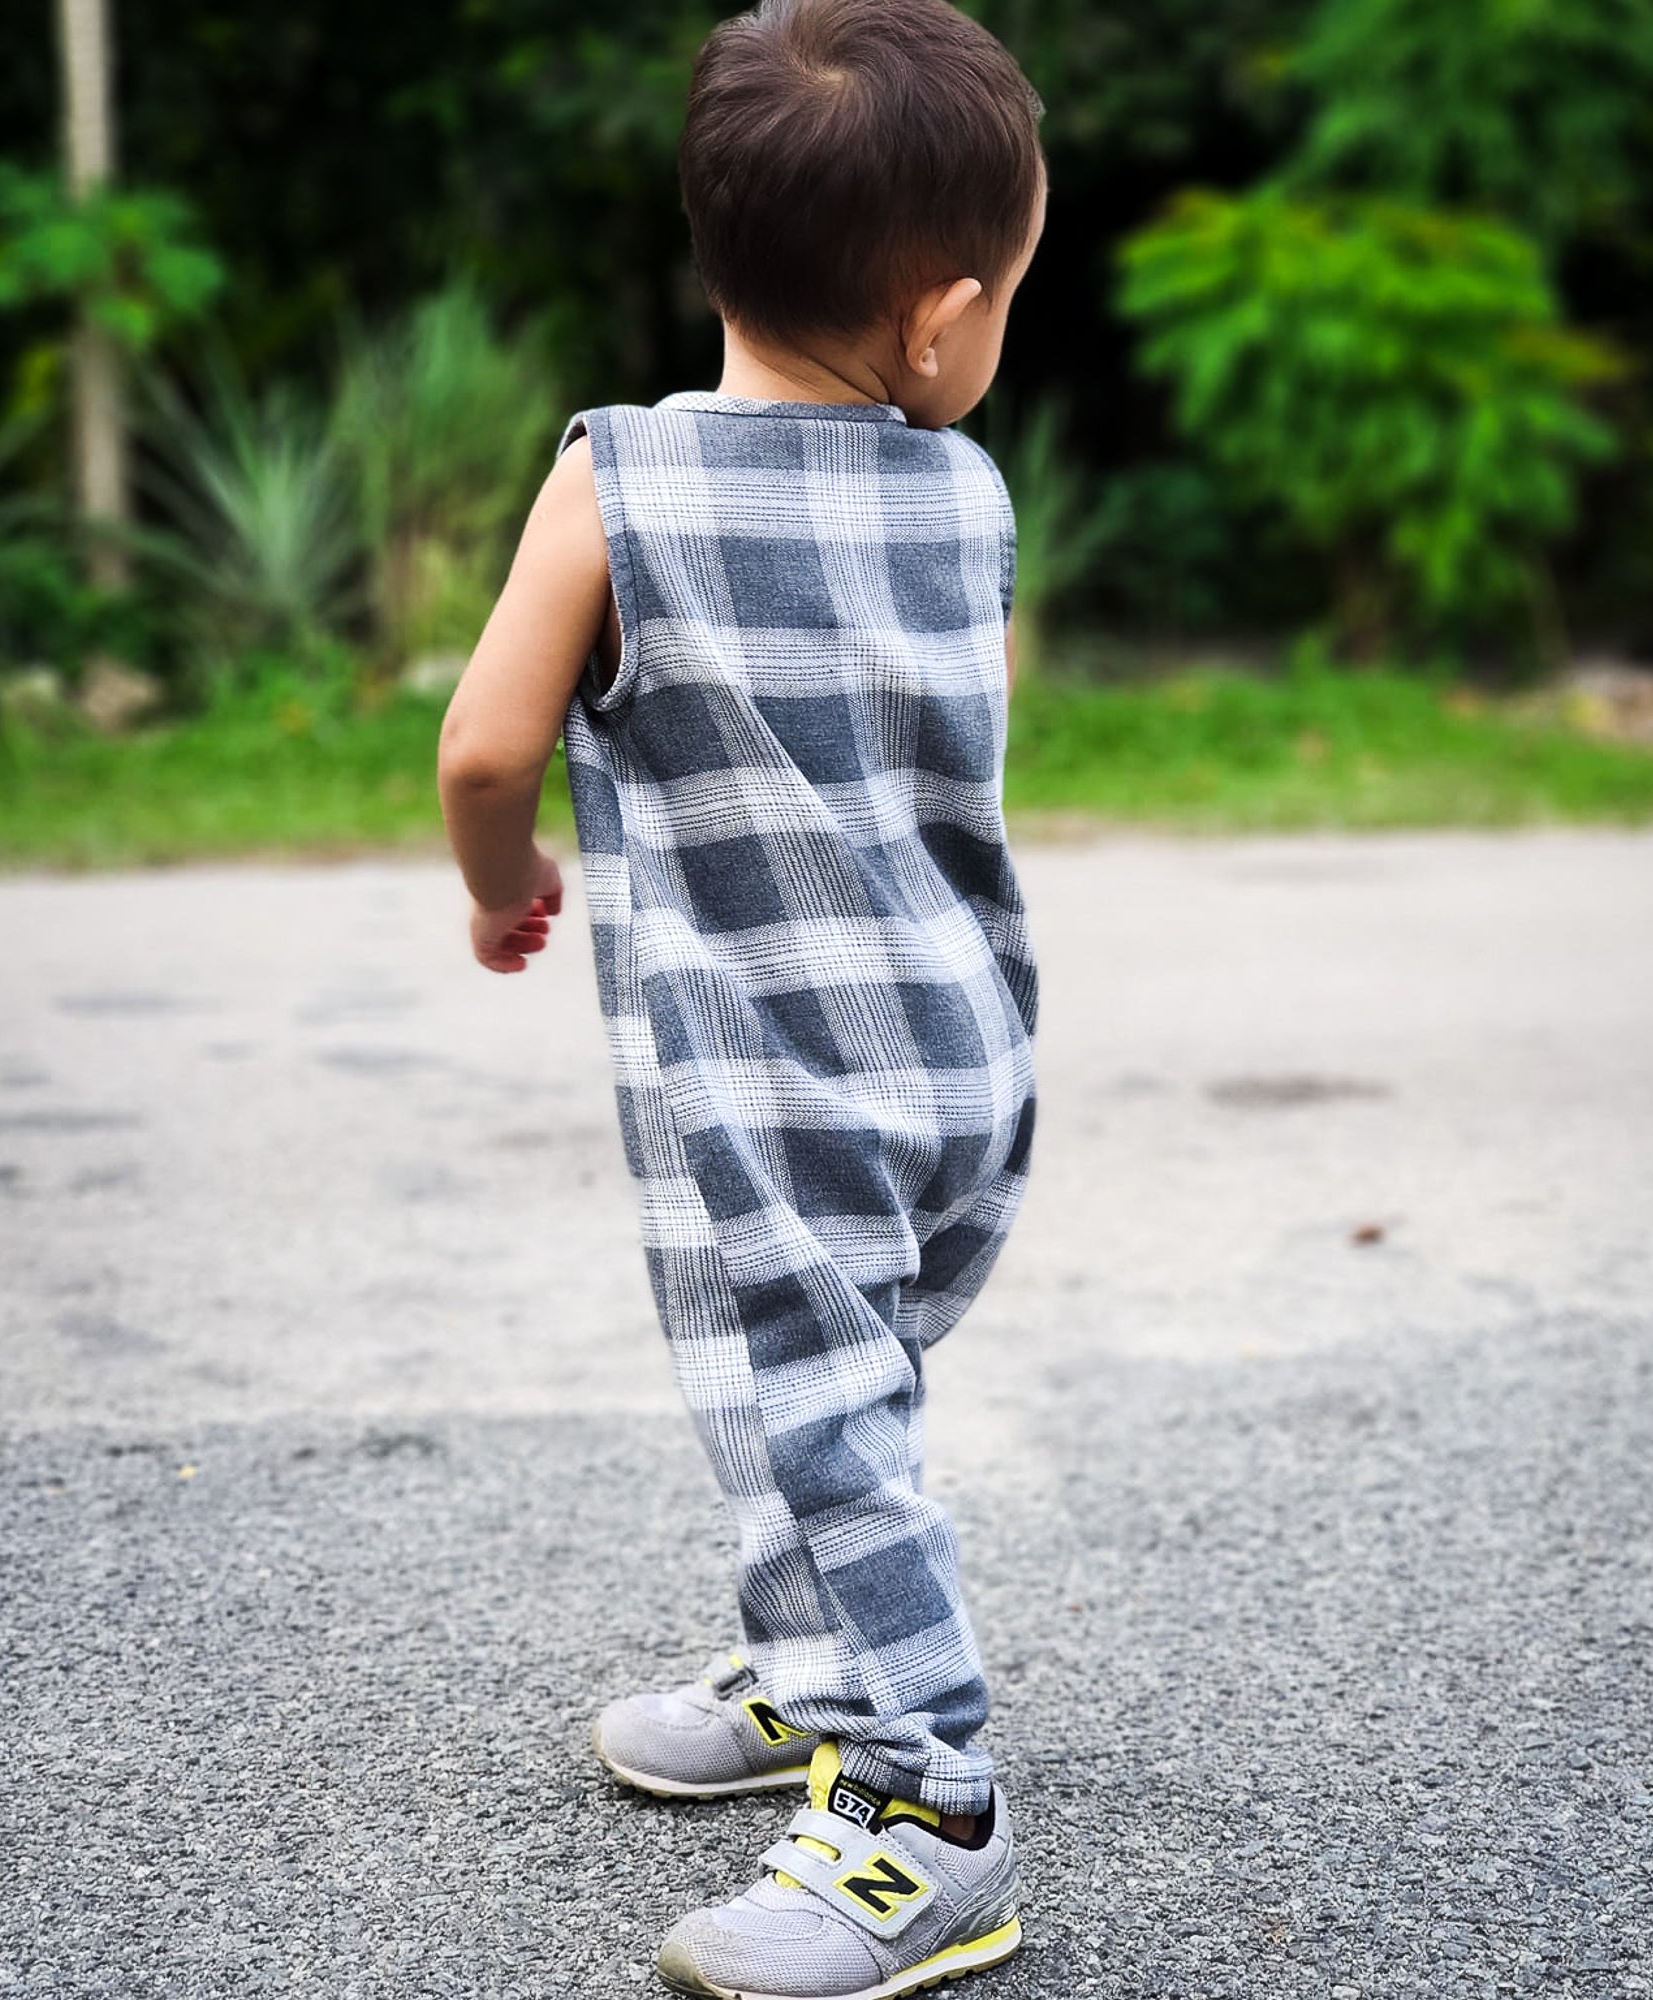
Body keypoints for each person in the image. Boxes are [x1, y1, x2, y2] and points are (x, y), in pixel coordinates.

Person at [438, 0, 1044, 1990]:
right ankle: (813, 1663)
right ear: (943, 318)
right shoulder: (968, 502)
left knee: (811, 1419)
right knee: (845, 1395)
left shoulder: (615, 485)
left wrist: (505, 878)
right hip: (962, 1052)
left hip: (773, 1081)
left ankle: (927, 1799)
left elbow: (479, 747)